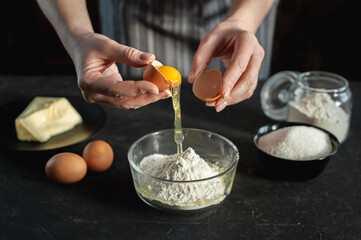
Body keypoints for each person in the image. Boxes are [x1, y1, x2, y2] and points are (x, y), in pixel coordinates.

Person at [37, 0, 277, 112]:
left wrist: (242, 21)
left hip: (242, 11)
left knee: (237, 88)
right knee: (133, 95)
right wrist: (78, 36)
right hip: (136, 13)